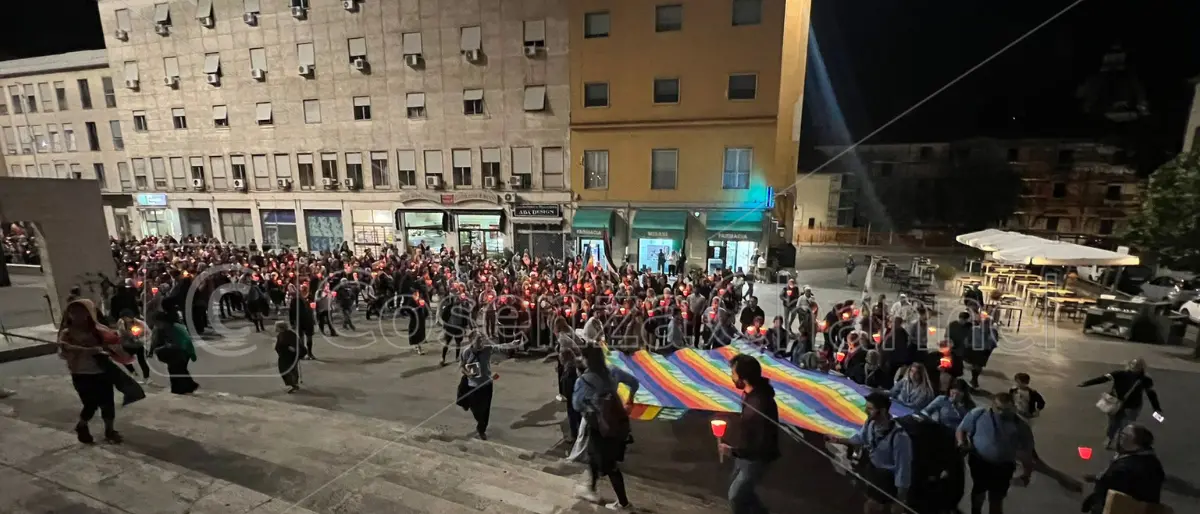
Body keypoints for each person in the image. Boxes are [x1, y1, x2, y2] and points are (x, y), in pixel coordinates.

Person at [573, 345, 640, 510]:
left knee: (608, 464)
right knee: (595, 457)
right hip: (617, 423)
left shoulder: (584, 380)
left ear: (587, 359)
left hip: (599, 426)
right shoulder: (613, 372)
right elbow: (634, 382)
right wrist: (629, 400)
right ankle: (592, 488)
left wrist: (591, 405)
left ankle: (623, 503)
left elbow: (576, 404)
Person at [828, 391, 913, 514]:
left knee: (873, 507)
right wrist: (839, 440)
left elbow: (903, 468)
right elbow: (861, 438)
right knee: (873, 505)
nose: (865, 411)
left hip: (887, 477)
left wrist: (900, 499)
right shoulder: (870, 423)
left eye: (870, 409)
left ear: (882, 411)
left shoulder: (900, 437)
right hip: (873, 470)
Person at [58, 299, 129, 444]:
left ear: (89, 313)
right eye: (73, 312)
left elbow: (115, 347)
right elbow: (63, 354)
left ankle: (110, 430)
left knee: (107, 403)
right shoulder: (67, 334)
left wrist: (117, 343)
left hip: (101, 372)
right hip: (81, 374)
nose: (77, 315)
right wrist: (80, 350)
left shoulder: (100, 330)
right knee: (90, 404)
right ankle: (82, 425)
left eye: (81, 311)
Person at [719, 354, 780, 514]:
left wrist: (732, 451)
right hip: (745, 454)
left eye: (733, 374)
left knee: (736, 496)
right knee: (742, 491)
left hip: (755, 458)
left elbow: (760, 441)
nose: (732, 377)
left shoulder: (759, 403)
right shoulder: (752, 395)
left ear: (743, 378)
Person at [956, 392, 1035, 514]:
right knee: (978, 491)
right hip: (979, 463)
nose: (1002, 412)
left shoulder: (1021, 427)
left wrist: (1026, 473)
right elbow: (962, 429)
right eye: (999, 408)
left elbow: (1026, 452)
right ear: (992, 405)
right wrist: (961, 443)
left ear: (1013, 407)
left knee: (996, 499)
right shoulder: (978, 414)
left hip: (1003, 468)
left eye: (1007, 409)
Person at [1078, 358, 1163, 449]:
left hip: (1118, 404)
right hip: (1133, 406)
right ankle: (1118, 441)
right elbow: (1151, 394)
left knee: (1114, 423)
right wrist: (1156, 408)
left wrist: (1086, 383)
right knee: (1122, 425)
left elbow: (1103, 378)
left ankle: (1111, 439)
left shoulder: (1120, 374)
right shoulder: (1145, 379)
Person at [1081, 424, 1165, 514]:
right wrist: (1096, 477)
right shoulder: (1150, 460)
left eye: (1122, 435)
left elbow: (1109, 492)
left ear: (1131, 441)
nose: (1118, 437)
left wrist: (1092, 502)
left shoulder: (1124, 468)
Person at [148, 311, 199, 395]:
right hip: (171, 352)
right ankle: (188, 386)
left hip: (183, 352)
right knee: (176, 370)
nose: (156, 325)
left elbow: (184, 344)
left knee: (177, 369)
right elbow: (154, 341)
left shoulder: (177, 328)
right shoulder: (158, 329)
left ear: (163, 321)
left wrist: (166, 347)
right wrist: (151, 351)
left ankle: (180, 389)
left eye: (157, 323)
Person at [460, 334, 496, 440]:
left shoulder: (487, 349)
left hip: (486, 384)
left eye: (482, 340)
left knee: (485, 410)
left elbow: (501, 347)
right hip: (473, 385)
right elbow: (462, 366)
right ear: (471, 340)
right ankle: (480, 421)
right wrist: (468, 374)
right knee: (475, 409)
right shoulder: (466, 352)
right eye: (478, 340)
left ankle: (481, 429)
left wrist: (512, 344)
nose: (481, 342)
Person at [116, 309, 152, 384]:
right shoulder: (121, 322)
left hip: (137, 345)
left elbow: (148, 334)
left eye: (126, 317)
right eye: (123, 317)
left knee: (142, 361)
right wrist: (121, 336)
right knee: (123, 359)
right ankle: (133, 372)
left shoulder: (140, 323)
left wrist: (140, 339)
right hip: (126, 344)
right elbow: (119, 331)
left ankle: (147, 377)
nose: (124, 319)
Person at [274, 321, 301, 393]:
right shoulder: (283, 334)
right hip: (285, 356)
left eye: (276, 327)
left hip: (288, 356)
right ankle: (294, 383)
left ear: (280, 328)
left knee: (286, 370)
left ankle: (294, 385)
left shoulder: (287, 335)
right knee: (292, 370)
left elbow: (296, 343)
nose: (275, 328)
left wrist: (293, 348)